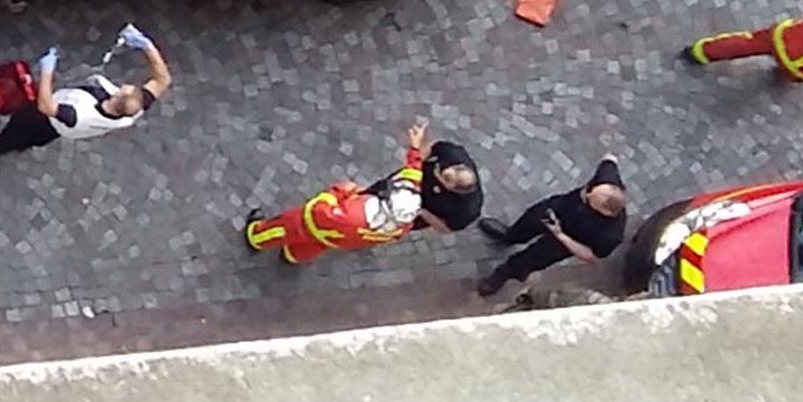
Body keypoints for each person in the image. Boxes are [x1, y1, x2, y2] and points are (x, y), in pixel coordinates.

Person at [243, 119, 482, 264]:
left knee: (290, 227)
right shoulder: (400, 224)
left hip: (327, 224)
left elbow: (317, 212)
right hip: (343, 238)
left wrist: (338, 192)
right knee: (315, 245)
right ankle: (293, 255)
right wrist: (415, 145)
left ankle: (257, 237)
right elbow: (413, 169)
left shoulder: (353, 213)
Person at [0, 26, 172, 153]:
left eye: (126, 88)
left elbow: (46, 107)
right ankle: (22, 144)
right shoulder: (132, 108)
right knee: (36, 138)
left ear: (119, 95)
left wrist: (47, 71)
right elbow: (162, 80)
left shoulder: (78, 115)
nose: (127, 85)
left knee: (22, 126)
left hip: (46, 121)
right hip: (58, 123)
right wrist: (147, 46)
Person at [476, 156, 629, 298]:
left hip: (566, 240)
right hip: (557, 209)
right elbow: (610, 158)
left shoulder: (611, 235)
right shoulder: (606, 180)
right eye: (590, 192)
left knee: (530, 259)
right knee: (527, 222)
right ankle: (510, 236)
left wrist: (560, 235)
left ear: (605, 211)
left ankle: (502, 275)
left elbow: (591, 256)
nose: (586, 196)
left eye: (590, 200)